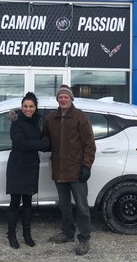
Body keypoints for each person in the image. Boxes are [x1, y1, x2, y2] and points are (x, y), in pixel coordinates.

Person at [43, 85, 96, 256]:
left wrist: (86, 165)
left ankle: (84, 238)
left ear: (71, 99)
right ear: (57, 99)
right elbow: (45, 138)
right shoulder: (52, 118)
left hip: (77, 170)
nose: (63, 99)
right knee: (64, 204)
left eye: (66, 97)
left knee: (81, 206)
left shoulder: (80, 117)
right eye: (60, 97)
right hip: (59, 170)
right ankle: (67, 233)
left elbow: (89, 144)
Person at [5, 92, 48, 249]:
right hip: (17, 165)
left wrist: (43, 144)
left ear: (35, 108)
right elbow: (21, 143)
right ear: (21, 107)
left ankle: (27, 234)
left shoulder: (37, 121)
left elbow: (42, 140)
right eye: (25, 106)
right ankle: (11, 234)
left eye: (31, 106)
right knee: (15, 202)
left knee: (28, 203)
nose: (28, 109)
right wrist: (41, 144)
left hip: (31, 165)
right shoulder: (16, 121)